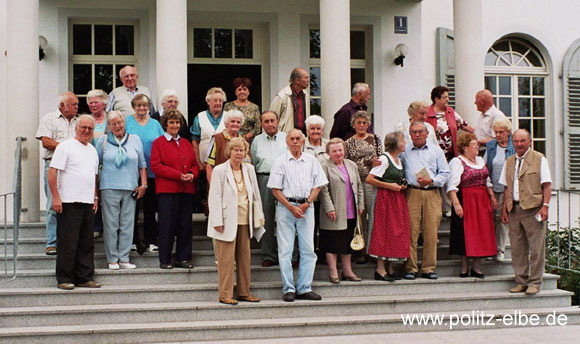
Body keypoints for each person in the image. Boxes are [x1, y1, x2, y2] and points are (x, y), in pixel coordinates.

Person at [268, 129, 328, 302]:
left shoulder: (311, 160)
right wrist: (290, 207)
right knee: (285, 250)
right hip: (285, 208)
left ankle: (304, 287)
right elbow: (275, 189)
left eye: (298, 139)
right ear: (286, 142)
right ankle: (288, 288)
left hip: (306, 208)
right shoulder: (280, 161)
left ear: (303, 141)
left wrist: (307, 203)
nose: (295, 141)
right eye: (292, 139)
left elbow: (318, 185)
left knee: (308, 249)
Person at [47, 115, 100, 290]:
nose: (86, 131)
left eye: (90, 129)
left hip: (87, 202)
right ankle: (64, 277)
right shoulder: (65, 147)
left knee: (86, 242)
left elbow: (93, 176)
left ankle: (84, 276)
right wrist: (55, 197)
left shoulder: (92, 150)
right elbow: (52, 172)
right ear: (76, 128)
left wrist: (95, 197)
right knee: (68, 242)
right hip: (68, 201)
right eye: (83, 127)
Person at [208, 137, 262, 305]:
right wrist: (217, 219)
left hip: (245, 219)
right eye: (235, 150)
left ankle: (244, 292)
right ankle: (225, 294)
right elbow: (215, 196)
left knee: (245, 259)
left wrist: (259, 216)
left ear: (246, 152)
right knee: (226, 260)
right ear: (229, 152)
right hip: (225, 220)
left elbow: (256, 195)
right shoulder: (219, 170)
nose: (239, 153)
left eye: (241, 150)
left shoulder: (249, 169)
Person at [500, 129, 552, 296]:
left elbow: (546, 185)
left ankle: (535, 282)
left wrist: (545, 206)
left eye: (522, 141)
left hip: (533, 209)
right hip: (514, 209)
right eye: (516, 141)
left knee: (536, 248)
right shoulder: (509, 161)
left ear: (529, 141)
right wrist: (505, 209)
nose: (519, 144)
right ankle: (521, 281)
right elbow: (506, 187)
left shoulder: (539, 159)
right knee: (517, 248)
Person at [96, 111, 147, 270]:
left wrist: (143, 185)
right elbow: (95, 167)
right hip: (109, 187)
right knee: (111, 224)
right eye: (113, 123)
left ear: (124, 123)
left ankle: (124, 258)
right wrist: (95, 193)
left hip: (130, 187)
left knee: (127, 224)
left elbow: (142, 164)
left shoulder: (135, 139)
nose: (117, 126)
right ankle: (112, 259)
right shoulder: (102, 141)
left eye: (120, 122)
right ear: (109, 126)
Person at [401, 121, 451, 280]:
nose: (417, 135)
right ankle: (410, 267)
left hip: (432, 193)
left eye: (420, 132)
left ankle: (429, 268)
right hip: (412, 192)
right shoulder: (404, 151)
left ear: (426, 133)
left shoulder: (436, 151)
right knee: (411, 231)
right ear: (410, 134)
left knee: (431, 232)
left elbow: (445, 173)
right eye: (414, 132)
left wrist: (432, 181)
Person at [150, 110, 200, 269]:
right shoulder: (158, 143)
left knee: (185, 225)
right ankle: (165, 259)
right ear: (165, 124)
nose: (175, 125)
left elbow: (194, 164)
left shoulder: (185, 143)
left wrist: (192, 174)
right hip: (168, 190)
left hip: (186, 190)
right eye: (171, 122)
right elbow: (156, 166)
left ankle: (183, 258)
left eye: (177, 123)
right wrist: (179, 175)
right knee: (167, 225)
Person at [447, 133, 498, 278]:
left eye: (477, 144)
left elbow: (487, 180)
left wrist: (492, 196)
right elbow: (452, 186)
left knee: (481, 232)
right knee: (465, 233)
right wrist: (456, 204)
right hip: (466, 199)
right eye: (474, 145)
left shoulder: (480, 160)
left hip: (482, 200)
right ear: (465, 147)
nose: (477, 147)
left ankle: (477, 267)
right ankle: (464, 267)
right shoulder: (457, 162)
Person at [35, 91, 79, 256]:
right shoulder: (49, 119)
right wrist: (66, 149)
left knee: (71, 205)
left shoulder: (78, 121)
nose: (77, 106)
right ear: (63, 106)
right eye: (73, 104)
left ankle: (68, 242)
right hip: (53, 165)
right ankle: (51, 243)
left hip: (73, 168)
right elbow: (46, 141)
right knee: (53, 204)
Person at [318, 138, 364, 283]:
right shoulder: (324, 166)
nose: (338, 153)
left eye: (340, 150)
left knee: (348, 240)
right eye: (334, 151)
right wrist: (329, 208)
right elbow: (323, 190)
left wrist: (360, 205)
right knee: (332, 241)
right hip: (333, 210)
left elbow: (359, 186)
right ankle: (333, 271)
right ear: (328, 153)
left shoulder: (351, 165)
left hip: (351, 209)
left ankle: (347, 271)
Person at [366, 131, 410, 282]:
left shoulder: (399, 160)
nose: (405, 143)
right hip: (384, 199)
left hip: (397, 199)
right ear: (395, 143)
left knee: (395, 233)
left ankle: (389, 266)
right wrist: (389, 186)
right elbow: (370, 179)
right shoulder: (384, 160)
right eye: (402, 140)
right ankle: (380, 269)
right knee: (383, 232)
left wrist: (401, 186)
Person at [125, 94, 164, 253]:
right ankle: (132, 241)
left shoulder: (155, 124)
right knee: (131, 208)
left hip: (152, 172)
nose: (142, 108)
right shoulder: (127, 121)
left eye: (145, 105)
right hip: (131, 172)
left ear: (149, 107)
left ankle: (151, 241)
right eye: (138, 105)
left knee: (150, 208)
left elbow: (162, 143)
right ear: (133, 107)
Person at [250, 111, 288, 267]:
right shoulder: (256, 141)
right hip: (264, 179)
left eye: (272, 120)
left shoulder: (287, 138)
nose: (270, 124)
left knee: (285, 218)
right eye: (266, 121)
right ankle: (269, 255)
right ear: (262, 124)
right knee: (265, 218)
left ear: (278, 121)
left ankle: (288, 255)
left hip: (285, 181)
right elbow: (252, 163)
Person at [345, 110, 382, 263]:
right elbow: (346, 163)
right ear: (353, 125)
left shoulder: (376, 139)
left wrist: (375, 164)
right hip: (355, 183)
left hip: (371, 182)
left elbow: (380, 158)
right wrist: (366, 163)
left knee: (373, 216)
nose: (361, 125)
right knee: (360, 217)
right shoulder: (347, 142)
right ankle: (360, 250)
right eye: (358, 122)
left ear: (368, 124)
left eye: (364, 123)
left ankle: (372, 250)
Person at [484, 118, 515, 261]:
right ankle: (490, 249)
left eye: (501, 132)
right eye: (496, 132)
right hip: (491, 187)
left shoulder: (514, 147)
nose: (498, 135)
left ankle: (500, 249)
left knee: (503, 218)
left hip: (506, 188)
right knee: (490, 219)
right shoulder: (491, 146)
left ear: (508, 132)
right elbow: (484, 166)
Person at [303, 115, 328, 261]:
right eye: (312, 128)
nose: (315, 131)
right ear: (307, 130)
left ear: (322, 130)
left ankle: (324, 255)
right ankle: (308, 254)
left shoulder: (328, 145)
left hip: (325, 192)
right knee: (309, 226)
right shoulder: (302, 146)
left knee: (324, 225)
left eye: (318, 128)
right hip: (308, 192)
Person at [427, 86, 474, 161]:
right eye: (444, 97)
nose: (448, 100)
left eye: (448, 97)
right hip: (434, 156)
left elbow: (464, 125)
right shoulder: (427, 115)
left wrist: (478, 133)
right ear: (436, 99)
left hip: (451, 156)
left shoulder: (450, 112)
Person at [87, 89, 109, 239]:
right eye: (90, 102)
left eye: (96, 102)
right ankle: (95, 226)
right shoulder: (86, 120)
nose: (93, 105)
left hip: (109, 164)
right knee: (93, 195)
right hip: (90, 163)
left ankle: (108, 227)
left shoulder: (111, 119)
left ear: (104, 103)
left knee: (107, 197)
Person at [206, 110, 248, 183]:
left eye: (238, 122)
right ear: (226, 124)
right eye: (232, 121)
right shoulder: (216, 138)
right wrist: (213, 185)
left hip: (240, 182)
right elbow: (209, 165)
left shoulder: (243, 140)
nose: (235, 124)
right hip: (222, 181)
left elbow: (247, 163)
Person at [270, 67, 310, 134]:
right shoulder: (282, 96)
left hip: (302, 135)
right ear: (297, 80)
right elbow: (271, 119)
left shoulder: (306, 95)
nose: (308, 80)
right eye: (306, 78)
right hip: (285, 136)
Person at [224, 77, 261, 142]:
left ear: (248, 92)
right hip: (230, 140)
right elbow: (224, 123)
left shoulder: (254, 107)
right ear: (235, 92)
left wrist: (246, 137)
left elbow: (257, 128)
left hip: (248, 141)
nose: (242, 92)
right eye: (239, 89)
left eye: (244, 89)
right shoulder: (228, 106)